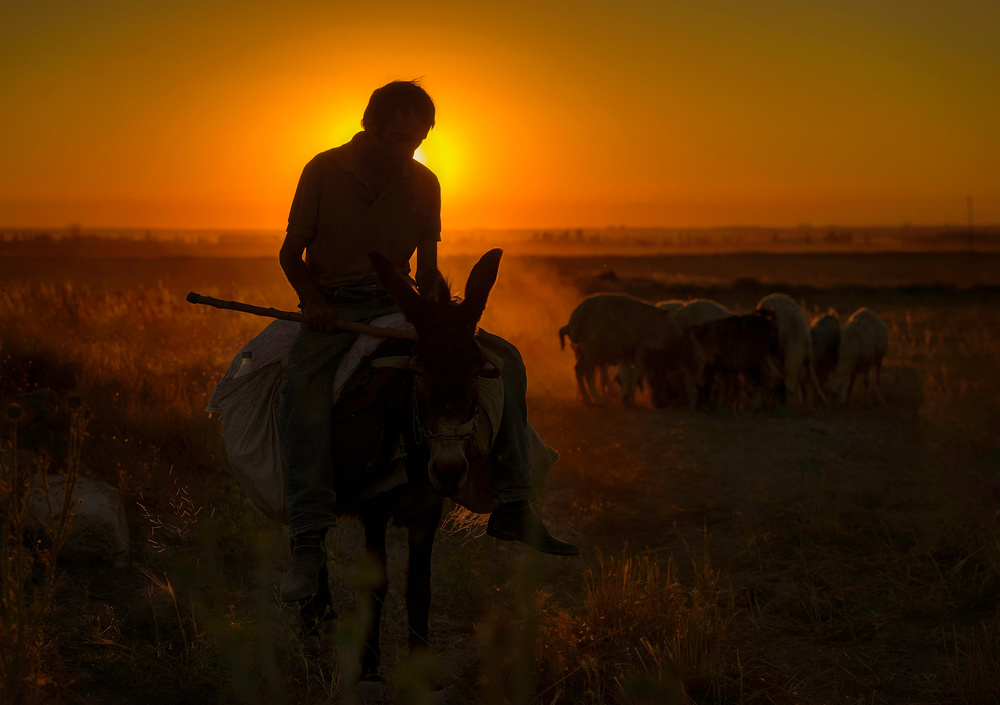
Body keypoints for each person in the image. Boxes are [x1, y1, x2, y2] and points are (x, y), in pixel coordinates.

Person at [278, 80, 579, 603]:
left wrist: (442, 317)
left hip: (404, 306)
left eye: (415, 142)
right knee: (302, 384)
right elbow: (290, 256)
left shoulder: (425, 183)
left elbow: (427, 269)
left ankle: (512, 502)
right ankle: (306, 538)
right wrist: (316, 304)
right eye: (397, 139)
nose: (406, 153)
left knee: (504, 360)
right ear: (369, 126)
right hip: (338, 309)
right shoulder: (322, 170)